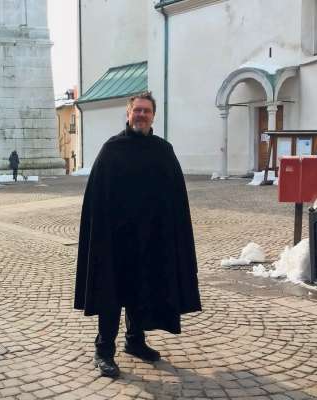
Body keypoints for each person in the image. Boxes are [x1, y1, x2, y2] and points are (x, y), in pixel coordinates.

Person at [74, 92, 201, 378]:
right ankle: (104, 350)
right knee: (111, 294)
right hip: (115, 241)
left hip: (150, 240)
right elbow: (96, 198)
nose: (141, 115)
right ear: (128, 114)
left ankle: (135, 342)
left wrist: (169, 235)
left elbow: (175, 200)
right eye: (137, 111)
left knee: (141, 289)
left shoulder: (163, 151)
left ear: (153, 116)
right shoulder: (112, 150)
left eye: (147, 111)